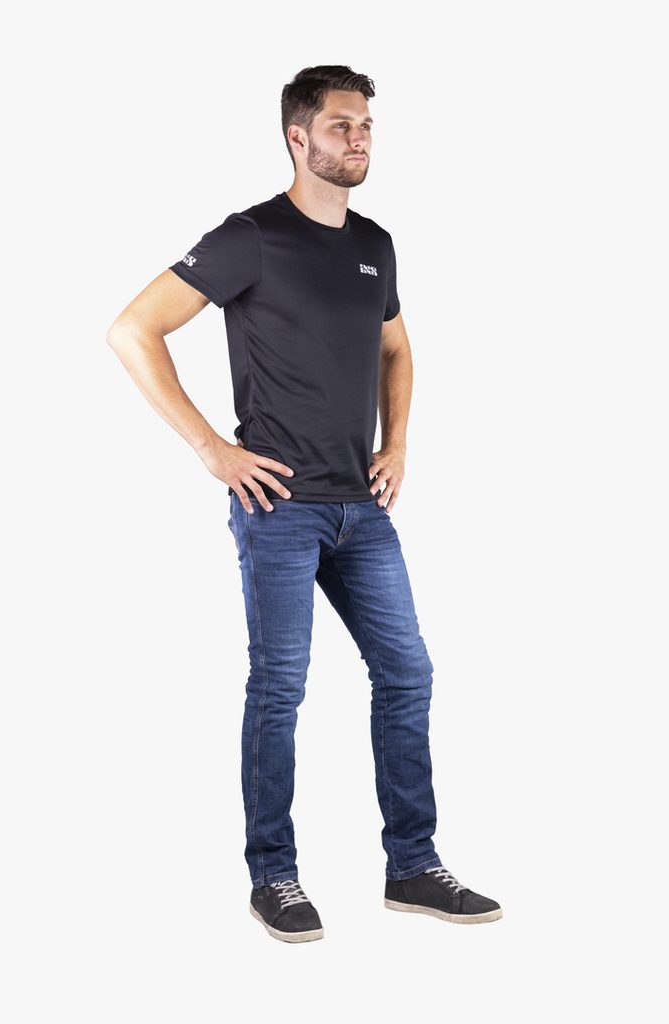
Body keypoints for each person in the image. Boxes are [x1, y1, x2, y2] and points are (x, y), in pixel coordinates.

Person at [106, 64, 502, 943]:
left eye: (365, 126)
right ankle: (273, 877)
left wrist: (397, 445)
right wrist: (211, 449)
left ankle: (412, 866)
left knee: (407, 673)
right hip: (278, 504)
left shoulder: (376, 244)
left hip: (361, 508)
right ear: (298, 136)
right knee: (281, 686)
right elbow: (132, 329)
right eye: (338, 125)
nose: (357, 139)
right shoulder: (250, 236)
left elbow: (397, 351)